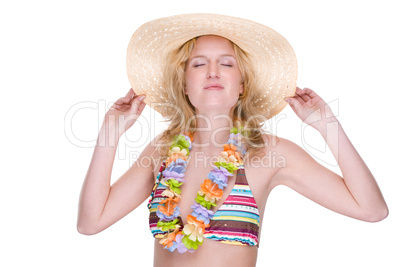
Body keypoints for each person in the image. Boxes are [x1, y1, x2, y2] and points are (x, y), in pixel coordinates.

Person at [77, 14, 388, 267]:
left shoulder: (268, 152)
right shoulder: (162, 150)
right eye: (198, 64)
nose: (213, 72)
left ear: (242, 85)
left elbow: (371, 209)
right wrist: (110, 134)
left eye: (226, 64)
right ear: (185, 85)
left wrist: (328, 127)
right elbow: (91, 223)